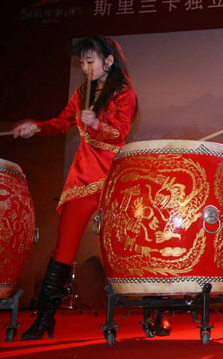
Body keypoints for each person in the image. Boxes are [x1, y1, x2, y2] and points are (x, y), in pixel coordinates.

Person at [12, 36, 146, 339]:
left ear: (108, 61)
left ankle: (148, 310)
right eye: (82, 62)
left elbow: (120, 133)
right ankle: (45, 317)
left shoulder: (125, 93)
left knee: (126, 246)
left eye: (90, 61)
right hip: (83, 176)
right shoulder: (82, 92)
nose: (85, 67)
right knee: (63, 248)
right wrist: (37, 126)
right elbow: (61, 123)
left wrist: (98, 125)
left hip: (112, 176)